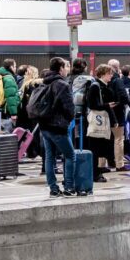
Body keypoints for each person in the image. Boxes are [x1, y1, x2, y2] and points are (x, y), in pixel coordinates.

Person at [38, 57, 77, 198]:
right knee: (70, 156)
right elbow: (69, 108)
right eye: (66, 66)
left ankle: (53, 189)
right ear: (60, 68)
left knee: (49, 157)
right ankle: (69, 187)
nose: (67, 69)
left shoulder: (44, 82)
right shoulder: (62, 85)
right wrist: (69, 119)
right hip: (58, 127)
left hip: (44, 126)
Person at [85, 64, 117, 182]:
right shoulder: (95, 86)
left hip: (103, 122)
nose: (111, 76)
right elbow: (93, 105)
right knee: (96, 149)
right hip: (98, 122)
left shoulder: (102, 86)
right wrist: (107, 105)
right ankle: (95, 174)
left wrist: (113, 120)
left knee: (100, 149)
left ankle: (97, 172)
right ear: (103, 74)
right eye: (109, 73)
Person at [107, 59, 130, 171]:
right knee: (118, 139)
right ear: (117, 68)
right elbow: (124, 98)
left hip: (105, 113)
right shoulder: (118, 81)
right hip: (117, 114)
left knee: (107, 139)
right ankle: (119, 164)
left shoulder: (104, 80)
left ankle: (106, 163)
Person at [0, 59, 20, 131]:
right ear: (11, 67)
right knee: (7, 133)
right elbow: (11, 96)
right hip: (7, 111)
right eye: (15, 66)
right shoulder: (9, 79)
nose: (16, 68)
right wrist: (13, 113)